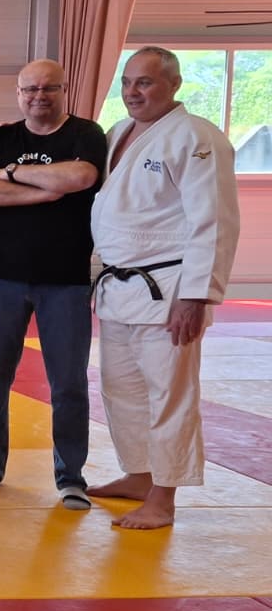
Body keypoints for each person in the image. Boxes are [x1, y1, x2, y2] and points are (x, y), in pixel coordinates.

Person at [88, 46, 240, 529]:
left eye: (145, 82)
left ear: (174, 85)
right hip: (119, 286)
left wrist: (196, 296)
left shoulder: (197, 137)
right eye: (127, 82)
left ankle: (163, 498)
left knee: (169, 394)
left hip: (170, 288)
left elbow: (214, 221)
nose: (132, 92)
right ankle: (139, 475)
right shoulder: (117, 133)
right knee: (121, 389)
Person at [0, 60, 108, 509]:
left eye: (48, 88)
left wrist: (11, 173)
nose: (39, 96)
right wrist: (44, 189)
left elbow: (81, 177)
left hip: (64, 277)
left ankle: (71, 476)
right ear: (18, 93)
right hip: (4, 273)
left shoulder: (85, 133)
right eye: (30, 89)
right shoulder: (2, 138)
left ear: (64, 90)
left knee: (68, 383)